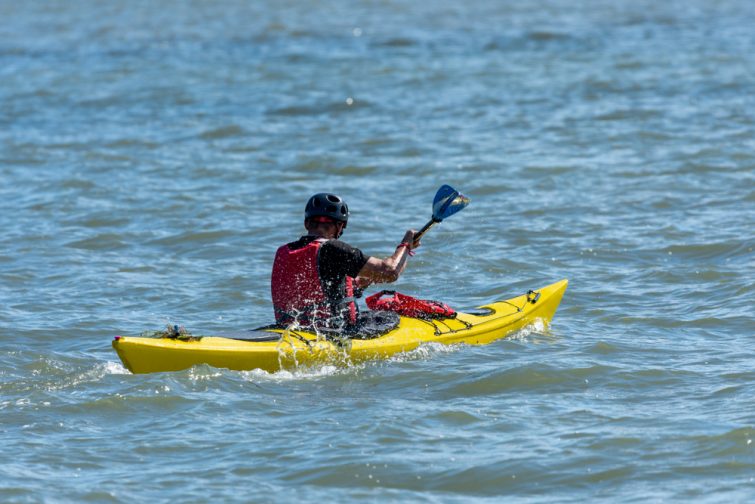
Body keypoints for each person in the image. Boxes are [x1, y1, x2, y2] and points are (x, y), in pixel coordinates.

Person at [271, 192, 420, 333]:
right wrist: (406, 245)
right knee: (388, 317)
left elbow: (312, 287)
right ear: (340, 226)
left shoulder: (283, 251)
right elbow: (391, 271)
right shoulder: (333, 248)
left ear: (306, 223)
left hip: (290, 328)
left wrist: (359, 283)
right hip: (331, 331)